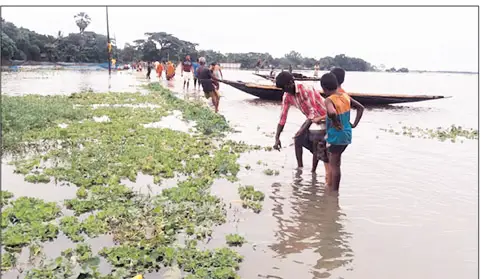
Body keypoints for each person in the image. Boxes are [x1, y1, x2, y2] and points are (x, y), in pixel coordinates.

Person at [273, 71, 329, 176]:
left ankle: (313, 172)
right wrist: (277, 138)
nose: (284, 91)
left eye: (284, 87)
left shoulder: (306, 89)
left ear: (291, 82)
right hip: (312, 119)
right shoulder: (287, 95)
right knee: (298, 139)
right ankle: (300, 168)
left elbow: (313, 112)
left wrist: (302, 130)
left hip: (325, 116)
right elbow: (282, 117)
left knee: (315, 140)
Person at [318, 72, 364, 191]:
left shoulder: (329, 100)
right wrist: (354, 124)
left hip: (336, 136)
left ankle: (334, 192)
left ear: (323, 88)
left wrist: (335, 121)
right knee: (336, 162)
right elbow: (360, 107)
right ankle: (332, 187)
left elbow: (332, 112)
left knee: (335, 166)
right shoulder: (345, 96)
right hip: (347, 135)